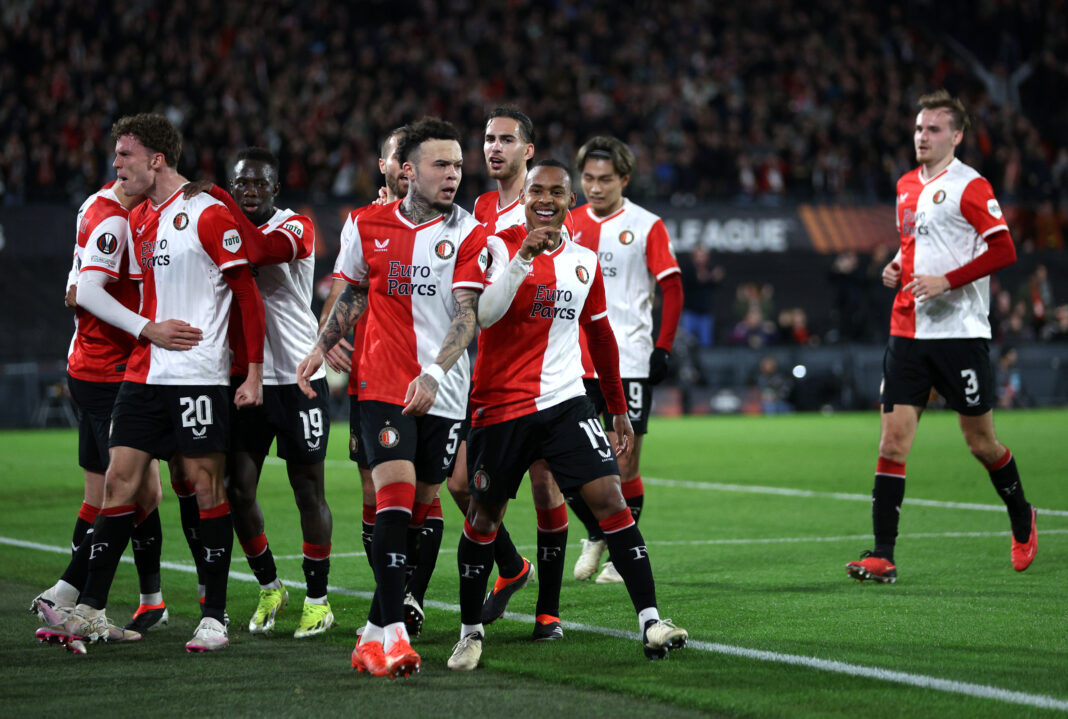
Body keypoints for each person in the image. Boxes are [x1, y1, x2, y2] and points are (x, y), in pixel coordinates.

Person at [447, 160, 687, 671]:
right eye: (538, 191)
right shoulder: (495, 244)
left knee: (610, 498)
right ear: (525, 195)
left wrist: (618, 411)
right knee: (483, 516)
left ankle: (651, 622)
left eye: (558, 193)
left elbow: (600, 336)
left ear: (568, 201)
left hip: (565, 402)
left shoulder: (583, 260)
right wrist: (521, 259)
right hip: (500, 406)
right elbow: (483, 315)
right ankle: (469, 634)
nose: (547, 200)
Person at [41, 113, 266, 653]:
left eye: (124, 156)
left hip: (197, 372)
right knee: (119, 484)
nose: (116, 167)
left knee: (205, 486)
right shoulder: (134, 217)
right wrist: (133, 320)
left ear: (156, 160)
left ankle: (214, 617)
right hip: (143, 373)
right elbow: (88, 287)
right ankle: (90, 610)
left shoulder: (209, 212)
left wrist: (253, 372)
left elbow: (247, 292)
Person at [298, 117, 486, 680]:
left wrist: (432, 373)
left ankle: (374, 635)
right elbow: (353, 291)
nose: (453, 174)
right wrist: (321, 342)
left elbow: (466, 314)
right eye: (440, 164)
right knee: (395, 501)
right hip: (381, 384)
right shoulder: (366, 223)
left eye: (457, 165)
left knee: (423, 507)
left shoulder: (469, 232)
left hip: (444, 390)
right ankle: (396, 636)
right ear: (407, 171)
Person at [846, 90, 1036, 584]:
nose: (922, 137)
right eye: (917, 129)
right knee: (892, 442)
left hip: (959, 334)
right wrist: (896, 265)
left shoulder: (970, 186)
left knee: (981, 442)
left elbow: (1005, 250)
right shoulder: (906, 185)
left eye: (933, 130)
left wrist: (948, 280)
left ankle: (1021, 514)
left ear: (956, 136)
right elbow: (914, 246)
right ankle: (882, 554)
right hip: (907, 330)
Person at [32, 178, 193, 646]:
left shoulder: (95, 202)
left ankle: (138, 600)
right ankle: (72, 599)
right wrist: (148, 329)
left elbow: (74, 281)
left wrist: (77, 283)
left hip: (89, 366)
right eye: (122, 158)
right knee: (135, 491)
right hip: (110, 373)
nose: (123, 167)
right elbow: (83, 290)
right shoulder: (117, 220)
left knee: (114, 493)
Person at [184, 147, 335, 639]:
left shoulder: (298, 227)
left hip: (298, 378)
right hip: (245, 377)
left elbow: (257, 251)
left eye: (257, 185)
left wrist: (221, 200)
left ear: (275, 189)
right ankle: (271, 585)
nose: (248, 192)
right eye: (239, 183)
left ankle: (318, 600)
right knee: (236, 489)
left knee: (307, 489)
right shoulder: (230, 223)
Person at [463, 106, 569, 639]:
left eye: (506, 139)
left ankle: (548, 612)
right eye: (488, 139)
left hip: (544, 369)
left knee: (545, 482)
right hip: (487, 367)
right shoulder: (479, 208)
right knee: (464, 485)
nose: (494, 148)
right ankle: (511, 566)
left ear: (529, 150)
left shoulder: (544, 210)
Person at [567, 136, 683, 584]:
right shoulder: (570, 222)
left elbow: (671, 286)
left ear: (624, 179)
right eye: (589, 179)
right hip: (573, 362)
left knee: (626, 461)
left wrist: (664, 346)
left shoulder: (646, 225)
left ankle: (619, 555)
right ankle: (598, 532)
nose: (595, 187)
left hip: (630, 358)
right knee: (564, 462)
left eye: (605, 179)